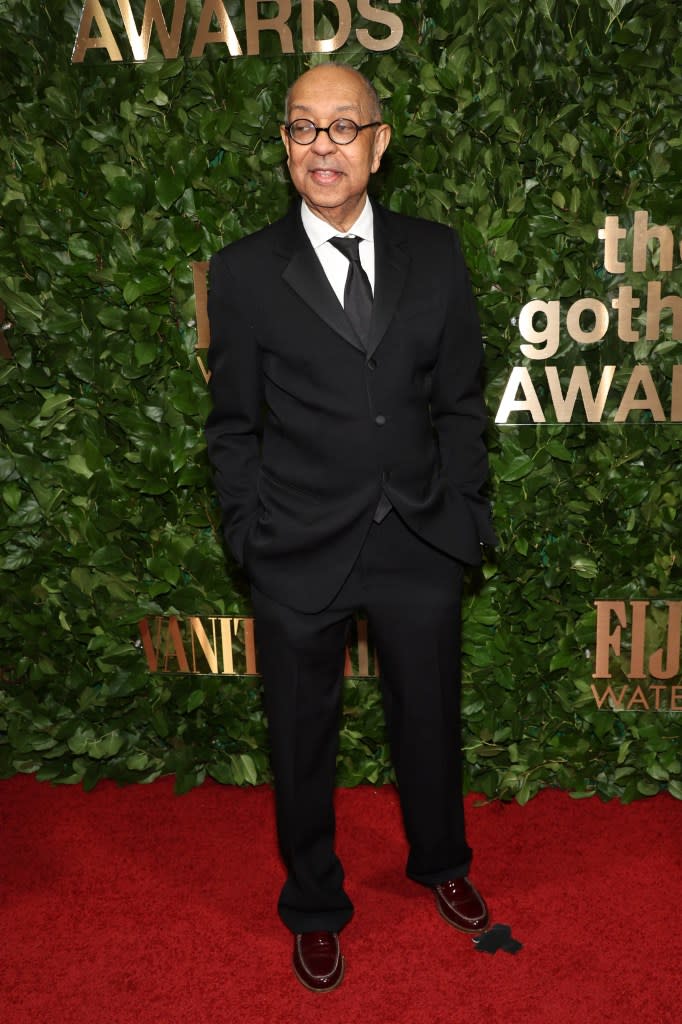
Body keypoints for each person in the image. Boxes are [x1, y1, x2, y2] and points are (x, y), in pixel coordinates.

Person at [205, 63, 497, 992]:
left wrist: (467, 515)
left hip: (418, 536)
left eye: (342, 127)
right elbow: (233, 428)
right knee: (300, 738)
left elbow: (459, 403)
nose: (322, 146)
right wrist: (250, 536)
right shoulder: (245, 272)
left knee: (431, 725)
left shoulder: (438, 252)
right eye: (303, 129)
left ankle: (443, 864)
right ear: (285, 148)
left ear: (380, 142)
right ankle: (316, 905)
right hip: (296, 545)